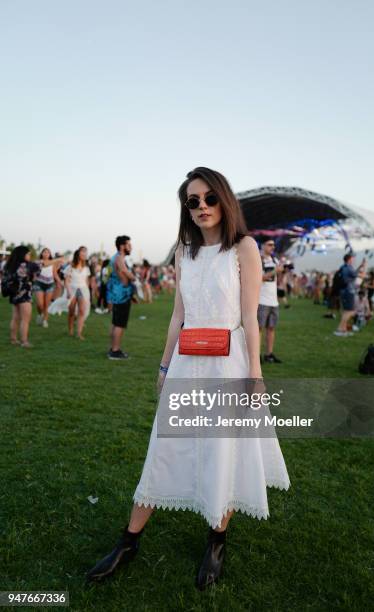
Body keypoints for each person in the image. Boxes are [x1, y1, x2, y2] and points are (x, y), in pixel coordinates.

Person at [86, 167, 290, 589]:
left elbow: (250, 318)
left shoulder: (244, 248)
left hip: (228, 365)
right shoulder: (184, 251)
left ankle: (216, 540)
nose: (201, 207)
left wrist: (255, 373)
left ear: (225, 200)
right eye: (192, 201)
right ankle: (129, 541)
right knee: (165, 445)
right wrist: (163, 365)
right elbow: (178, 315)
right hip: (185, 362)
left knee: (223, 449)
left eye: (209, 198)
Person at [4, 245, 62, 347]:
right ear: (23, 254)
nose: (30, 256)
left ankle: (13, 339)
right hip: (24, 295)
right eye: (28, 254)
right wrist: (59, 259)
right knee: (25, 319)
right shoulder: (27, 265)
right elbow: (44, 263)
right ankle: (24, 341)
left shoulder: (11, 265)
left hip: (14, 294)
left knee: (15, 318)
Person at [106, 236, 135, 360]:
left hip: (118, 294)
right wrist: (134, 278)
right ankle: (115, 351)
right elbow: (123, 271)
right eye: (129, 245)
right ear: (122, 246)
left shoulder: (116, 257)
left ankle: (113, 348)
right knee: (120, 324)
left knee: (115, 323)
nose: (131, 247)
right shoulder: (119, 257)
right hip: (121, 295)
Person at [257, 239, 283, 363]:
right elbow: (259, 278)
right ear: (262, 245)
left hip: (273, 301)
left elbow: (277, 278)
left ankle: (269, 354)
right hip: (261, 300)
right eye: (269, 244)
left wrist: (282, 271)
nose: (272, 247)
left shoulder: (275, 260)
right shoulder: (258, 260)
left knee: (271, 328)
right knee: (259, 329)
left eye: (273, 245)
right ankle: (257, 355)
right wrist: (275, 271)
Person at [334, 253, 366, 337]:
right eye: (353, 258)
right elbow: (361, 276)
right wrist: (364, 267)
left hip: (344, 291)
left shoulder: (343, 267)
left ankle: (343, 330)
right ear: (349, 259)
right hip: (349, 291)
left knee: (346, 311)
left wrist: (360, 266)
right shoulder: (348, 268)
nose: (353, 260)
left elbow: (353, 274)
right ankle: (340, 329)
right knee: (350, 311)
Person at [64, 246, 91, 340]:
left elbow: (86, 281)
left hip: (83, 290)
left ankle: (79, 333)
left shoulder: (86, 268)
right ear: (78, 254)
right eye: (83, 252)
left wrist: (88, 293)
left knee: (82, 311)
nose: (84, 254)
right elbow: (66, 281)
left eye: (85, 252)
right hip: (72, 289)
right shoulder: (70, 267)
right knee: (71, 311)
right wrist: (67, 291)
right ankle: (70, 329)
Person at [33, 248, 62, 328]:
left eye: (48, 252)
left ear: (50, 254)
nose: (46, 254)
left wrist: (60, 283)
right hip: (39, 284)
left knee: (46, 305)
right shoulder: (38, 262)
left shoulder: (52, 264)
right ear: (42, 253)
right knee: (40, 304)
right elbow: (34, 272)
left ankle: (45, 321)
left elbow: (55, 274)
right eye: (44, 252)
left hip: (49, 284)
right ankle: (40, 314)